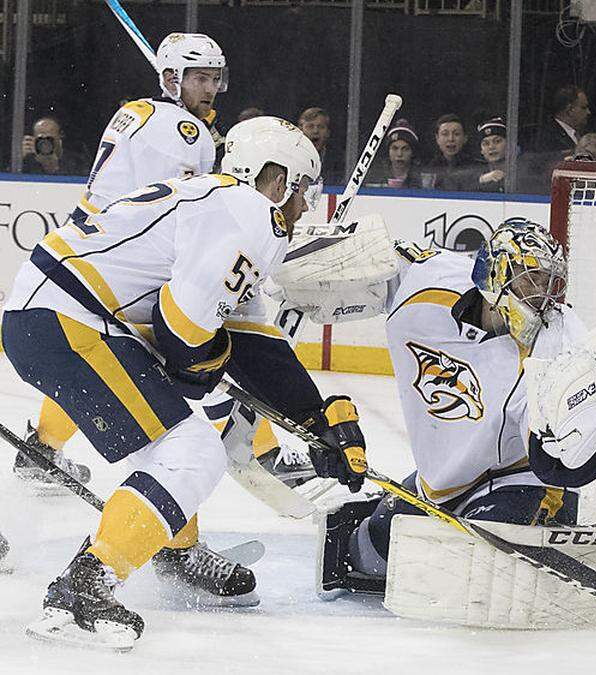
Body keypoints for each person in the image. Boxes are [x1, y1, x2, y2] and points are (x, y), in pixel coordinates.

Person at [3, 117, 368, 651]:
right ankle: (87, 585)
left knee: (170, 443)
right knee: (193, 448)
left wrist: (317, 424)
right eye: (305, 190)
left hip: (51, 315)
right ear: (280, 181)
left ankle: (159, 546)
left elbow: (253, 342)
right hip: (67, 319)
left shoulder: (218, 205)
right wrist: (205, 363)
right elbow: (186, 337)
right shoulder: (251, 214)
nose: (307, 206)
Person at [277, 219, 596, 594]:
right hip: (445, 477)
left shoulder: (557, 343)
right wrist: (284, 262)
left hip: (518, 479)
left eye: (548, 283)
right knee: (365, 554)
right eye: (531, 280)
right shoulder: (428, 282)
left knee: (470, 570)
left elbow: (566, 463)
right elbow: (368, 262)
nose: (542, 297)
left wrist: (567, 439)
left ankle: (545, 533)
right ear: (495, 275)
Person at [17, 33, 229, 497]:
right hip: (119, 265)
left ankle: (41, 449)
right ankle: (184, 502)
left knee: (92, 364)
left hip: (85, 251)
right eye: (199, 78)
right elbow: (182, 210)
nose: (209, 88)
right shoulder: (183, 131)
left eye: (214, 78)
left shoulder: (139, 111)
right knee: (180, 366)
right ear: (172, 78)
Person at [443, 116, 507, 192]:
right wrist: (483, 179)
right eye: (485, 143)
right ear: (481, 150)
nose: (491, 147)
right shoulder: (475, 169)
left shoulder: (521, 168)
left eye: (497, 141)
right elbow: (451, 181)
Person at [20, 116, 88, 176]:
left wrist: (54, 166)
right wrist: (20, 158)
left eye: (49, 139)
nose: (45, 144)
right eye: (40, 139)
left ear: (60, 136)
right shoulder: (28, 161)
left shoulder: (77, 162)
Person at [366, 119, 423, 189]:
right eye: (395, 148)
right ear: (388, 151)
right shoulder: (375, 175)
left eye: (405, 149)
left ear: (413, 152)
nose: (399, 154)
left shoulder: (422, 178)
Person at [427, 114, 470, 189]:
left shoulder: (475, 166)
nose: (450, 139)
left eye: (456, 134)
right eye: (445, 134)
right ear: (437, 138)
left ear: (465, 138)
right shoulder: (429, 168)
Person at [298, 106, 340, 179]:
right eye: (310, 126)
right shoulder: (291, 155)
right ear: (300, 130)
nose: (315, 131)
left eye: (321, 127)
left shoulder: (337, 159)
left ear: (328, 132)